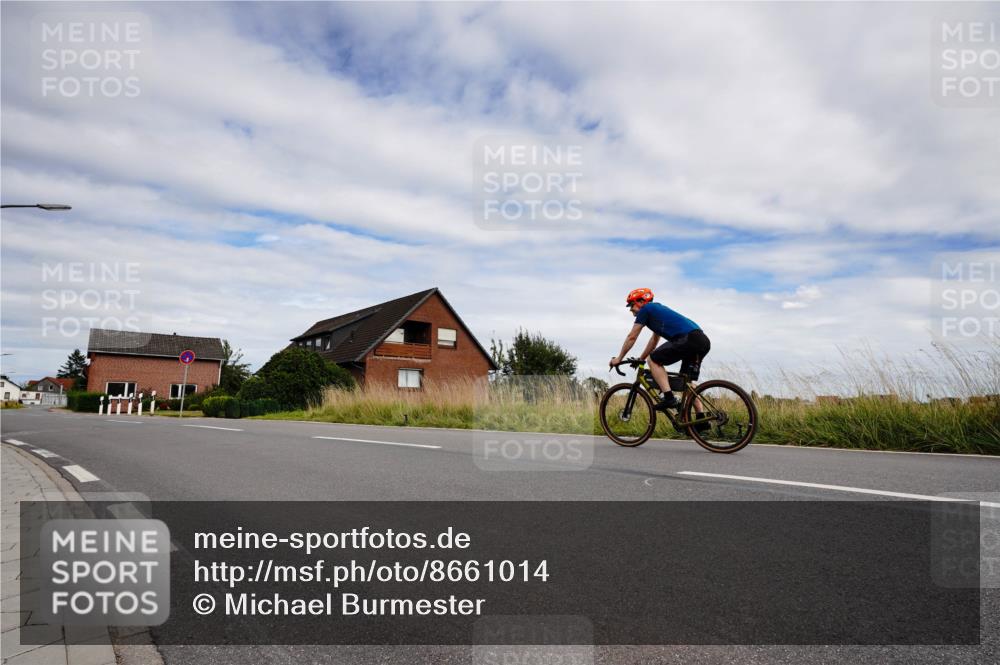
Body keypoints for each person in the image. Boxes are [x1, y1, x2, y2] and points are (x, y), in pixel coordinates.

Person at [609, 288, 711, 411]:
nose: (631, 310)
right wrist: (641, 359)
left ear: (641, 301)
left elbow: (632, 337)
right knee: (685, 383)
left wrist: (619, 358)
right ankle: (700, 420)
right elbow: (654, 341)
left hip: (688, 339)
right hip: (702, 341)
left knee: (652, 360)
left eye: (632, 305)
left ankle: (669, 398)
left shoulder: (646, 309)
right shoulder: (657, 312)